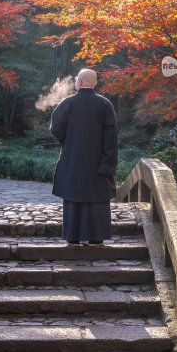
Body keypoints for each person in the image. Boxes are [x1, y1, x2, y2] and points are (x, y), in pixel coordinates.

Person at [50, 68, 118, 246]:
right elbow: (111, 138)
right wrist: (108, 164)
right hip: (98, 162)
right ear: (94, 83)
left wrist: (69, 139)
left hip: (72, 159)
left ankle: (73, 238)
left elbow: (55, 128)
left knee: (73, 198)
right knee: (97, 199)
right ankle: (96, 239)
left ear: (78, 82)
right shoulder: (105, 104)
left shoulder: (68, 103)